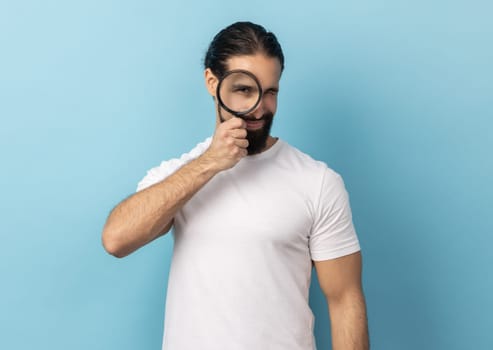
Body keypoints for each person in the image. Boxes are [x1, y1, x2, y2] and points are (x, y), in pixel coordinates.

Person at [102, 21, 369, 350]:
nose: (260, 107)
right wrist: (210, 163)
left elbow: (345, 301)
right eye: (245, 89)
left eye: (271, 91)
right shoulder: (182, 174)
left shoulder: (317, 182)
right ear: (213, 83)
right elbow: (116, 239)